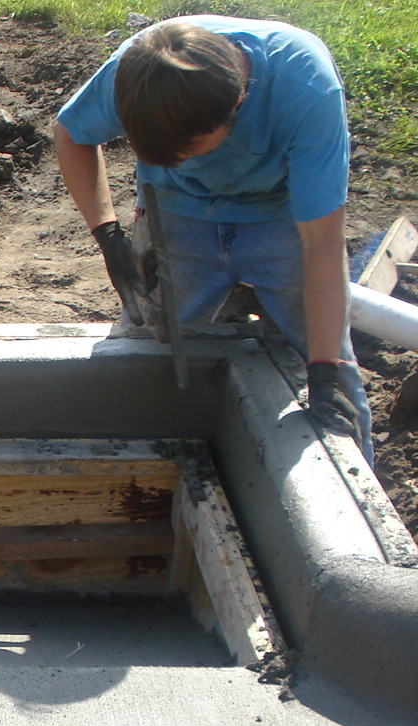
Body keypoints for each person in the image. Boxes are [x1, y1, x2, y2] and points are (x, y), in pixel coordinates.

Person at [54, 15, 373, 459]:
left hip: (281, 219)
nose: (183, 161)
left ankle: (359, 506)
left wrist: (324, 370)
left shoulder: (304, 90)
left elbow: (320, 242)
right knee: (146, 350)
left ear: (238, 103)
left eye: (190, 150)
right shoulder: (139, 74)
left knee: (332, 376)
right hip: (177, 215)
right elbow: (71, 134)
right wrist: (109, 233)